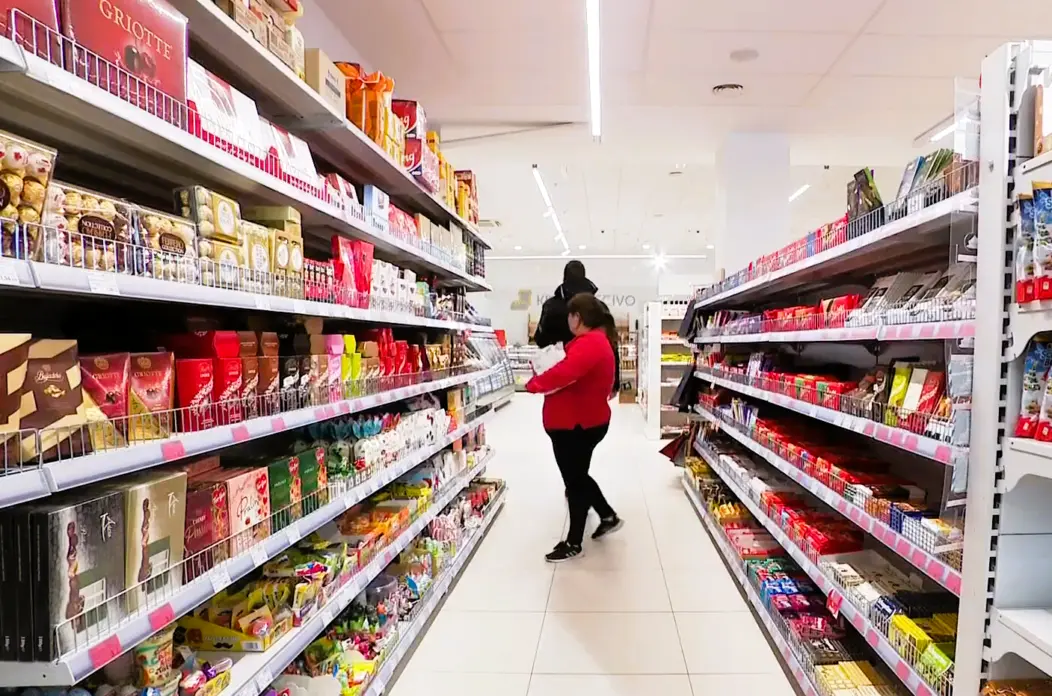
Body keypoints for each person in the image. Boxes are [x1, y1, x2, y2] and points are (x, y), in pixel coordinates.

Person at [526, 292, 623, 562]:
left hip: (576, 424)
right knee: (578, 477)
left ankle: (574, 542)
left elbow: (565, 372)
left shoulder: (591, 343)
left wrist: (534, 384)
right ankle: (607, 515)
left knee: (575, 482)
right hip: (579, 421)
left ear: (577, 317)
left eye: (570, 315)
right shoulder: (593, 341)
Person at [533, 260, 598, 348]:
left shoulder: (551, 306)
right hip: (590, 354)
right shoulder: (598, 308)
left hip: (559, 354)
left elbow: (540, 340)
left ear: (564, 277)